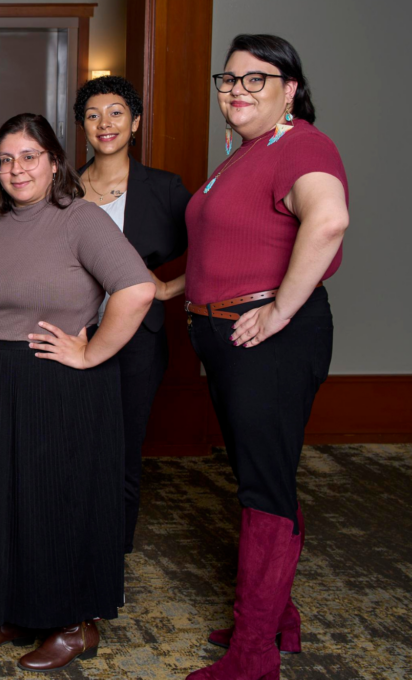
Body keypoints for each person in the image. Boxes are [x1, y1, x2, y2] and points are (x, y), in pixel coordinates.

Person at [0, 113, 155, 673]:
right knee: (1, 501)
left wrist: (92, 351)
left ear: (55, 161)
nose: (17, 169)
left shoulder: (80, 219)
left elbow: (138, 288)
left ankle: (73, 624)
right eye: (5, 159)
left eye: (30, 156)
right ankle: (9, 611)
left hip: (58, 386)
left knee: (55, 505)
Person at [181, 35, 348, 680]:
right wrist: (165, 290)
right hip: (225, 339)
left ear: (290, 89)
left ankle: (253, 655)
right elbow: (223, 249)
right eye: (230, 79)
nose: (237, 90)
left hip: (271, 340)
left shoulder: (304, 144)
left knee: (263, 486)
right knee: (265, 472)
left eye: (257, 79)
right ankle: (276, 617)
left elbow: (327, 221)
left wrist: (278, 311)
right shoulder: (248, 153)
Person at [74, 75, 190, 555]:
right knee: (78, 447)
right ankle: (73, 546)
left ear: (135, 122)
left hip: (139, 338)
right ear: (82, 125)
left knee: (122, 451)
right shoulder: (65, 187)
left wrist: (167, 288)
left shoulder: (163, 188)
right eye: (94, 114)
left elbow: (215, 250)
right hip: (75, 333)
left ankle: (111, 558)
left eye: (117, 113)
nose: (106, 123)